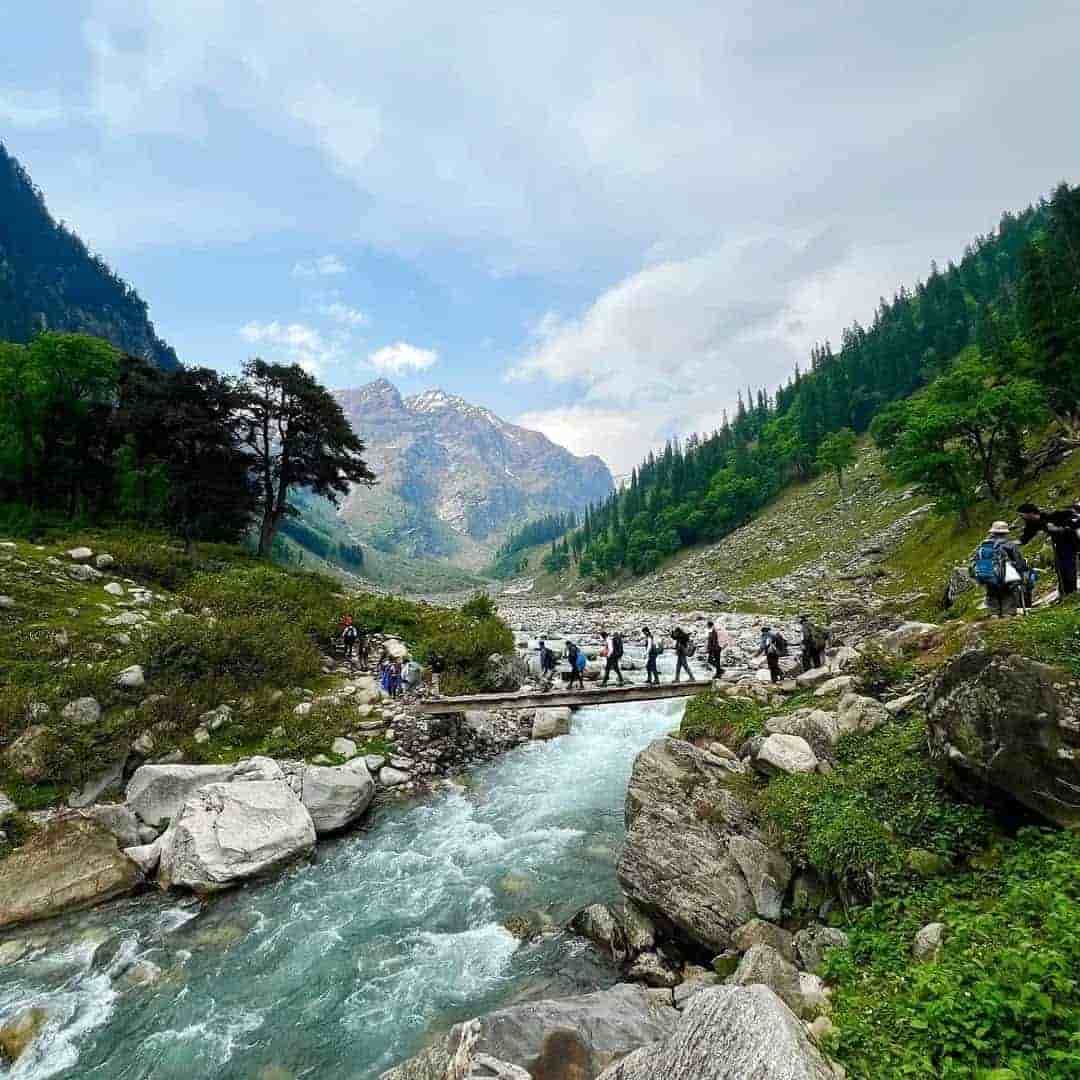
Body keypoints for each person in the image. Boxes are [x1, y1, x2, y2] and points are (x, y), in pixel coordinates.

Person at [1018, 502, 1079, 599]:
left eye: (1022, 515)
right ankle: (1064, 592)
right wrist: (1012, 543)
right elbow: (1025, 537)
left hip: (1070, 543)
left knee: (1068, 567)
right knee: (1060, 568)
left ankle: (1072, 592)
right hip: (1058, 545)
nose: (1021, 517)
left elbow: (1074, 521)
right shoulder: (1033, 523)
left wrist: (1059, 529)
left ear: (1030, 513)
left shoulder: (1053, 516)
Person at [970, 520, 1029, 618]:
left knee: (992, 593)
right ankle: (1007, 613)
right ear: (1005, 533)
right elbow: (1018, 561)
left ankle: (994, 614)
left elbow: (975, 559)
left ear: (992, 532)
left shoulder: (984, 544)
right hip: (1006, 575)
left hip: (989, 574)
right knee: (1008, 594)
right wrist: (1022, 571)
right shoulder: (1009, 545)